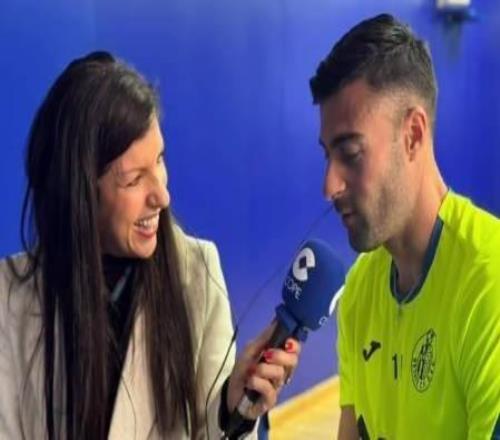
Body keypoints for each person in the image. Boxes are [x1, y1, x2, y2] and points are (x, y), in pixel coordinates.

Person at [0, 51, 300, 439]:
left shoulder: (197, 273)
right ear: (79, 194)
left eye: (159, 160)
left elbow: (214, 431)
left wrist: (232, 408)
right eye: (133, 179)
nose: (162, 196)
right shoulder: (10, 297)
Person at [309, 13, 500, 439]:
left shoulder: (488, 282)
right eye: (327, 156)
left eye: (350, 153)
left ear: (413, 134)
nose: (330, 186)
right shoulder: (359, 291)